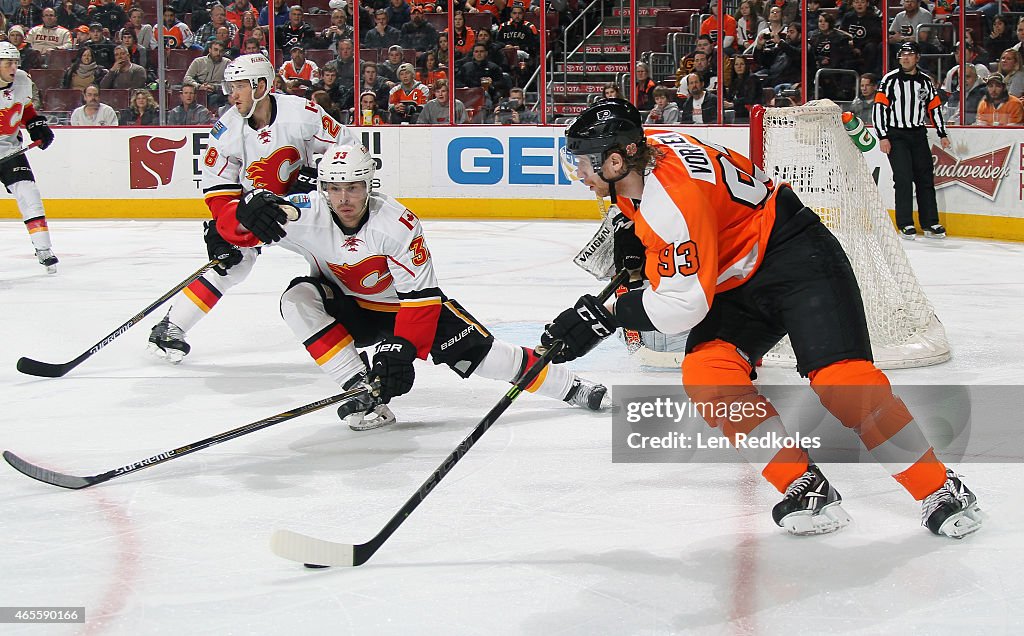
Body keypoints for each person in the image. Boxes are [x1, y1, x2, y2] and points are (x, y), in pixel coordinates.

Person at [545, 97, 985, 540]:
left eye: (583, 163)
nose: (578, 173)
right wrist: (633, 231)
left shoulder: (668, 201)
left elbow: (683, 307)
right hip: (737, 276)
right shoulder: (649, 152)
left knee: (845, 384)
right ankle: (803, 484)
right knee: (708, 376)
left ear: (617, 159)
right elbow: (684, 222)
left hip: (796, 257)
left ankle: (942, 489)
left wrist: (607, 313)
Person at [225, 142, 608, 430]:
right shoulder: (306, 212)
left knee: (487, 359)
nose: (344, 199)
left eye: (354, 188)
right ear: (323, 187)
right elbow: (250, 226)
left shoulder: (397, 224)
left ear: (368, 185)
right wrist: (243, 211)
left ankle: (569, 386)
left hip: (407, 309)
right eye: (335, 189)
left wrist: (398, 353)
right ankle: (361, 389)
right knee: (297, 297)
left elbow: (421, 301)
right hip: (351, 308)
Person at [147, 53, 358, 364]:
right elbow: (219, 191)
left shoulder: (303, 113)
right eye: (230, 87)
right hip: (257, 211)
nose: (232, 95)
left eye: (239, 87)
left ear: (261, 85)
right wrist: (225, 226)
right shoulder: (227, 129)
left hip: (306, 207)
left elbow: (349, 148)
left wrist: (317, 180)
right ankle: (171, 327)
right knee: (233, 262)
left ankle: (360, 317)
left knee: (342, 255)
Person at [874, 42, 949, 240]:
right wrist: (883, 136)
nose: (906, 58)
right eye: (902, 55)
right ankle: (905, 223)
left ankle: (930, 222)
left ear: (917, 57)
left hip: (918, 134)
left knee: (925, 179)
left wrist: (942, 133)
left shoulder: (925, 81)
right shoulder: (890, 80)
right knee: (903, 179)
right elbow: (879, 108)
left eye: (910, 54)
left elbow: (934, 108)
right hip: (896, 135)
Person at [0, 41, 57, 273]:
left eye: (15, 62)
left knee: (29, 192)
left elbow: (26, 110)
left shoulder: (22, 80)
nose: (13, 67)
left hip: (9, 148)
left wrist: (36, 125)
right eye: (7, 63)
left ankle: (44, 249)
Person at [185, 41, 230, 109]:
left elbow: (230, 83)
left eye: (221, 51)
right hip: (198, 88)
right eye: (215, 50)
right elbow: (187, 78)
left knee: (216, 98)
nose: (218, 53)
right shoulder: (198, 61)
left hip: (217, 92)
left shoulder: (227, 63)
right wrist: (198, 86)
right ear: (210, 50)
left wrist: (214, 87)